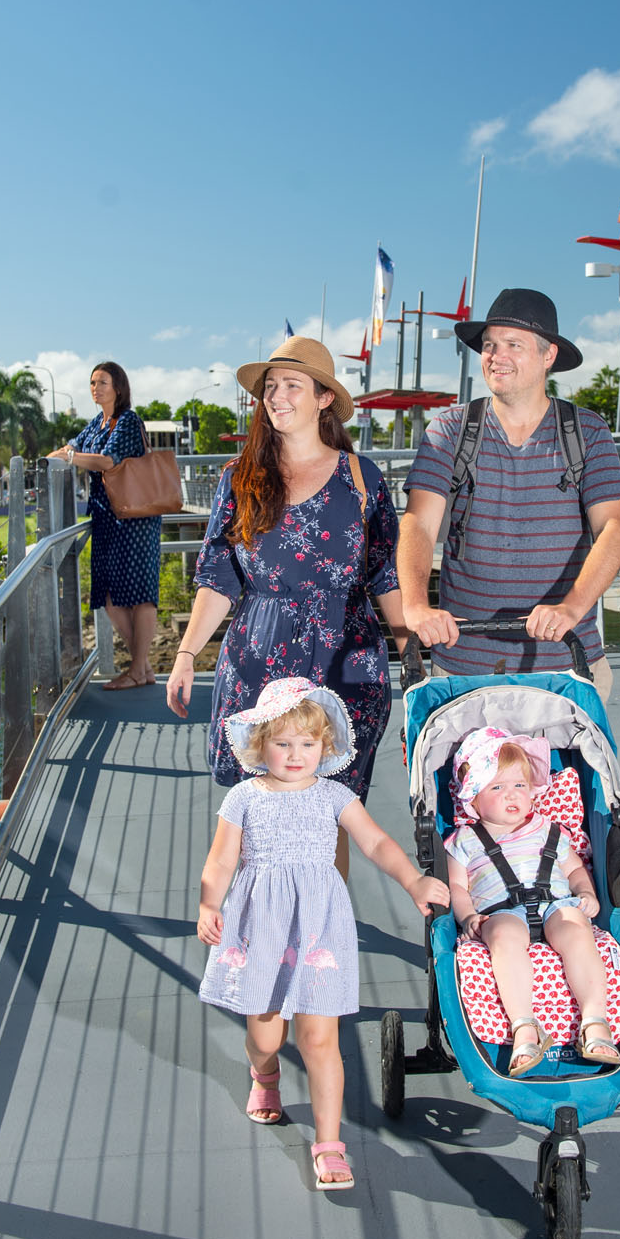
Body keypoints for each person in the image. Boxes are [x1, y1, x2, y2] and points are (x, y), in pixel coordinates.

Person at [167, 337, 406, 878]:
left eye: (291, 385)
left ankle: (325, 936)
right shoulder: (239, 479)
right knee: (262, 810)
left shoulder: (362, 478)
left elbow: (385, 573)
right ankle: (263, 931)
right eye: (270, 387)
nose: (276, 396)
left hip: (347, 661)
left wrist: (411, 655)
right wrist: (186, 655)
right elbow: (218, 577)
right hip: (259, 656)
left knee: (336, 806)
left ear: (325, 399)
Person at [197, 678, 448, 1188]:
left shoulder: (335, 795)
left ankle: (329, 1145)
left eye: (307, 744)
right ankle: (264, 1074)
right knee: (265, 1035)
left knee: (319, 1038)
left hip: (318, 927)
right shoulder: (244, 796)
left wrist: (414, 880)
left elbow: (376, 843)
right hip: (262, 925)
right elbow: (222, 858)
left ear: (325, 746)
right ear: (259, 744)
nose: (295, 754)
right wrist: (208, 902)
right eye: (282, 743)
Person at [397, 288, 620, 697]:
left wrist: (571, 608)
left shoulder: (587, 432)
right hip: (464, 667)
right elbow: (418, 523)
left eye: (513, 345)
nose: (495, 355)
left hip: (568, 667)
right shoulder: (449, 430)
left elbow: (614, 528)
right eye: (489, 345)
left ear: (548, 355)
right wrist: (415, 605)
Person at [446, 726, 620, 1077]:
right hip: (500, 911)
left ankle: (595, 1019)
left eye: (520, 786)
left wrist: (586, 893)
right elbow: (458, 888)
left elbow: (573, 870)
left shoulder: (547, 828)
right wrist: (467, 917)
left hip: (555, 902)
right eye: (497, 787)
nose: (512, 795)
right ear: (473, 798)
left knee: (576, 930)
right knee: (504, 939)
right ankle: (525, 1026)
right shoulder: (464, 840)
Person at [50, 361, 160, 691]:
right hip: (106, 517)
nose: (96, 388)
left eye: (103, 382)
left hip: (135, 518)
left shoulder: (128, 420)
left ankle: (138, 669)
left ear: (119, 388)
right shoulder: (98, 423)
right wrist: (68, 450)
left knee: (141, 595)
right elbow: (76, 444)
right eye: (92, 382)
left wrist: (69, 457)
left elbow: (107, 461)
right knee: (109, 594)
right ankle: (143, 667)